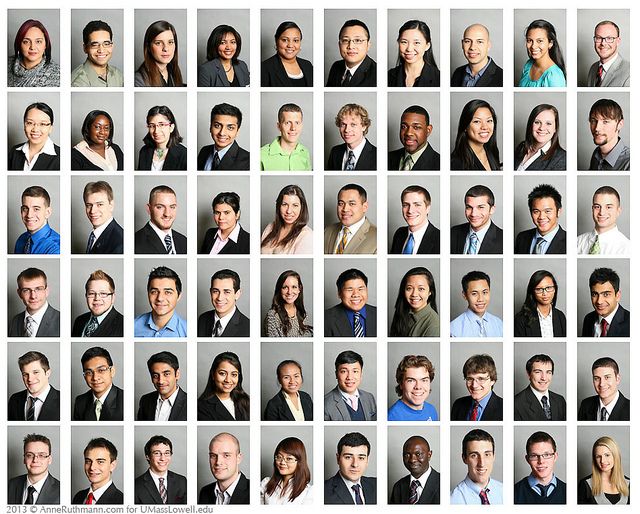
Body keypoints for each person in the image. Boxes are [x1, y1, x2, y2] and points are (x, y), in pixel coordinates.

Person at [451, 429, 503, 504]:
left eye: (487, 454)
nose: (481, 463)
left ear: (493, 457)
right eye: (474, 455)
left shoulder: (505, 492)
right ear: (464, 458)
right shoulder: (452, 500)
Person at [72, 346, 123, 421]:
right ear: (84, 376)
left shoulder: (125, 400)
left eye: (101, 370)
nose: (95, 378)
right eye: (89, 372)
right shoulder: (80, 401)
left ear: (112, 371)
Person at [325, 432, 377, 504]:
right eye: (348, 457)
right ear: (338, 459)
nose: (355, 464)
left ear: (367, 460)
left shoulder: (377, 485)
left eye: (361, 458)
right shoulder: (323, 491)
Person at [134, 266, 187, 337]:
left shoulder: (187, 331)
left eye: (168, 292)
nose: (160, 298)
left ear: (179, 296)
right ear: (148, 293)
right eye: (154, 292)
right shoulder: (132, 326)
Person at [8, 433, 60, 504]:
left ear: (49, 459)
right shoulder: (10, 485)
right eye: (29, 455)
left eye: (41, 455)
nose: (35, 460)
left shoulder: (62, 491)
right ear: (24, 459)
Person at [514, 432, 566, 504]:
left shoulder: (569, 492)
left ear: (555, 457)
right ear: (527, 459)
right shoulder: (514, 493)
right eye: (534, 456)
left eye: (547, 455)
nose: (541, 461)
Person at [324, 184, 377, 254]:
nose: (345, 209)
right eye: (341, 204)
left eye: (352, 204)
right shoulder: (327, 231)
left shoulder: (377, 237)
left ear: (365, 207)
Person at [324, 350, 376, 421]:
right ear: (336, 374)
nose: (350, 377)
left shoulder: (369, 398)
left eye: (355, 371)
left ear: (361, 374)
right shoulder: (325, 404)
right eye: (344, 371)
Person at [8, 351, 60, 421]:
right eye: (25, 374)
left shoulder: (63, 400)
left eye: (35, 372)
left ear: (47, 373)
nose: (30, 379)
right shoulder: (14, 400)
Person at [577, 186, 630, 255]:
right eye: (597, 207)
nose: (602, 212)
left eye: (608, 207)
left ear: (618, 211)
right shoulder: (578, 242)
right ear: (592, 209)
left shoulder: (627, 248)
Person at [198, 352, 250, 421]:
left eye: (234, 374)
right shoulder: (200, 407)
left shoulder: (246, 401)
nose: (228, 380)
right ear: (213, 375)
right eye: (222, 373)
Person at [199, 433, 249, 504]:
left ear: (238, 458)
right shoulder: (205, 492)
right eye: (213, 456)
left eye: (226, 455)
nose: (218, 462)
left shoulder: (254, 492)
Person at [261, 184, 313, 254]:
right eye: (284, 204)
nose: (289, 211)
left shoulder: (307, 236)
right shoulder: (270, 227)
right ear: (279, 206)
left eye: (295, 205)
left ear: (302, 208)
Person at [325, 268, 377, 337]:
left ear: (367, 290)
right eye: (350, 290)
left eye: (360, 289)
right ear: (339, 293)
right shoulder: (325, 318)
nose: (356, 294)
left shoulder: (379, 314)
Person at [515, 184, 566, 254]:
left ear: (558, 212)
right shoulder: (522, 238)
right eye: (536, 211)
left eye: (547, 211)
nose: (541, 217)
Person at [451, 185, 503, 254]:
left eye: (481, 207)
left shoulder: (504, 239)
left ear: (492, 209)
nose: (473, 214)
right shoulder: (453, 233)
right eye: (469, 207)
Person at [9, 267, 60, 337]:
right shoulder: (15, 320)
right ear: (19, 293)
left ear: (46, 291)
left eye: (38, 289)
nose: (33, 296)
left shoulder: (62, 320)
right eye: (26, 290)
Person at [135, 435, 187, 504]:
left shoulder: (182, 481)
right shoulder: (135, 486)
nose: (163, 458)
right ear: (148, 457)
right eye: (157, 453)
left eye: (167, 453)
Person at [135, 185, 187, 254]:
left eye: (172, 207)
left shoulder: (184, 241)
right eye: (160, 207)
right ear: (149, 209)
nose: (167, 214)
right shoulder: (135, 242)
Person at [451, 100, 501, 170]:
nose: (485, 127)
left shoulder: (492, 151)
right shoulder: (457, 163)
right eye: (477, 121)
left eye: (489, 121)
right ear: (465, 126)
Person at [198, 269, 250, 337]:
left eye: (227, 292)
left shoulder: (248, 328)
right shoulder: (202, 319)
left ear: (237, 294)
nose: (220, 298)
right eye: (215, 291)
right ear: (210, 292)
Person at [578, 436, 630, 504]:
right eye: (598, 456)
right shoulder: (585, 485)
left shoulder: (629, 484)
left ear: (615, 456)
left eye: (607, 455)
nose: (602, 461)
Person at [71, 20, 124, 87]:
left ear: (112, 46)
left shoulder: (118, 75)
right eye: (95, 45)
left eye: (106, 44)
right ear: (85, 48)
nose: (101, 50)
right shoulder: (77, 83)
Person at [197, 103, 250, 170]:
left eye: (230, 128)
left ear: (237, 131)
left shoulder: (249, 161)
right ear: (210, 127)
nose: (222, 133)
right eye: (217, 126)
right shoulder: (204, 151)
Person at [137, 351, 187, 421]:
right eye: (155, 376)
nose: (161, 381)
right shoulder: (145, 400)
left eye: (166, 374)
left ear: (177, 374)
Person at [8, 102, 60, 171]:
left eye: (42, 124)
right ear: (24, 125)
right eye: (30, 123)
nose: (35, 129)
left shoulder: (62, 157)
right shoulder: (14, 151)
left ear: (50, 128)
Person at [8, 19, 60, 87]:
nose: (32, 47)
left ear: (45, 45)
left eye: (38, 41)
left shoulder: (58, 75)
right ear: (19, 44)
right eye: (26, 42)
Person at [72, 270, 123, 337]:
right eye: (92, 293)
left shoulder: (123, 325)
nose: (97, 298)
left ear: (112, 297)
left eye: (103, 293)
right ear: (86, 296)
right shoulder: (79, 321)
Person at [390, 267, 439, 337]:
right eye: (409, 288)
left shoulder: (434, 325)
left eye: (421, 289)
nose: (414, 294)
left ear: (430, 292)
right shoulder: (401, 312)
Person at [514, 271, 566, 338]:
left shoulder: (560, 316)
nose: (545, 293)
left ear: (555, 289)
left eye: (549, 288)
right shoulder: (520, 319)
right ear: (532, 292)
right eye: (539, 289)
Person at [514, 354, 566, 421]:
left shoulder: (560, 400)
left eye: (548, 372)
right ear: (529, 374)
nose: (544, 378)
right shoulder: (516, 404)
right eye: (538, 372)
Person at [389, 436, 440, 504]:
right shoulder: (398, 487)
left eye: (418, 454)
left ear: (429, 455)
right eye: (407, 455)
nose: (412, 460)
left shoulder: (443, 483)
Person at [260, 437, 312, 504]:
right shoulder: (266, 484)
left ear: (300, 461)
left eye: (289, 458)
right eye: (279, 457)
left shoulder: (307, 492)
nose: (282, 462)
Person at [451, 354, 503, 421]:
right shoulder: (458, 405)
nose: (474, 385)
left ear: (492, 380)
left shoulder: (505, 408)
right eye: (470, 379)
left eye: (481, 379)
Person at [388, 20, 439, 87]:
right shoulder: (389, 76)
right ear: (398, 42)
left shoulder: (439, 78)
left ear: (427, 46)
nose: (409, 49)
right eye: (404, 42)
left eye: (416, 43)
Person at [390, 185, 440, 254]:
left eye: (417, 205)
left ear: (427, 208)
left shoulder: (440, 239)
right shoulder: (399, 233)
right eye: (406, 205)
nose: (410, 210)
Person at [260, 104, 311, 170]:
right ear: (279, 126)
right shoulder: (261, 155)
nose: (293, 128)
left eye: (297, 123)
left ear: (301, 125)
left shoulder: (305, 152)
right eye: (287, 123)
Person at [515, 104, 566, 170]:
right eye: (537, 122)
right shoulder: (521, 147)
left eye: (548, 123)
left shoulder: (562, 159)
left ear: (555, 128)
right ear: (531, 124)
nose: (542, 128)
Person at [581, 267, 630, 337]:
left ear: (617, 296)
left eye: (606, 294)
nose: (599, 301)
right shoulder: (588, 319)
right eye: (594, 294)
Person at [451, 272, 502, 338]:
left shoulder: (499, 324)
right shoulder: (453, 329)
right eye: (474, 293)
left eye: (484, 292)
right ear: (464, 295)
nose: (480, 299)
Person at [72, 438, 123, 504]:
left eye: (100, 462)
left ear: (112, 465)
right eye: (88, 461)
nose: (92, 467)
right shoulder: (79, 496)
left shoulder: (121, 501)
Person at [326, 19, 376, 87]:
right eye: (345, 40)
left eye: (358, 40)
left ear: (368, 45)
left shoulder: (377, 74)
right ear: (339, 44)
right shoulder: (336, 66)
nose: (351, 46)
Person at [262, 21, 313, 87]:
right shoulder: (264, 68)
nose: (290, 45)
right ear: (276, 40)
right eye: (285, 40)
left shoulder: (308, 65)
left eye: (295, 40)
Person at [388, 105, 440, 170]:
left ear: (428, 130)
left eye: (416, 127)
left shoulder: (440, 164)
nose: (408, 133)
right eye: (404, 127)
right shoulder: (387, 158)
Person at [327, 104, 377, 170]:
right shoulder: (335, 152)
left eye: (353, 125)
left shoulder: (378, 156)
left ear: (364, 126)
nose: (347, 130)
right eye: (343, 124)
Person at [578, 357, 629, 421]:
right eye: (597, 378)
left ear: (617, 379)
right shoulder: (585, 405)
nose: (601, 384)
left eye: (607, 377)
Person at [263, 270, 313, 337]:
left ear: (299, 289)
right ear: (280, 290)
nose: (289, 292)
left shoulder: (303, 314)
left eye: (294, 287)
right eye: (285, 287)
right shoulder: (272, 317)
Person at [388, 355, 438, 421]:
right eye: (411, 380)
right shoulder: (391, 417)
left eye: (424, 380)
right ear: (401, 384)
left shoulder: (432, 410)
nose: (418, 387)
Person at [135, 20, 184, 86]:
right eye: (158, 43)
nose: (165, 48)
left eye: (170, 42)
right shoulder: (139, 80)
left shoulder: (173, 71)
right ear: (148, 47)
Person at [518, 20, 566, 87]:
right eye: (529, 40)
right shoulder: (528, 65)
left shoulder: (555, 76)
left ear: (550, 43)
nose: (533, 46)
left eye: (540, 41)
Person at [137, 105, 187, 170]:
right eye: (152, 126)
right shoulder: (144, 151)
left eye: (161, 125)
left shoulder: (184, 154)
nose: (156, 131)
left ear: (171, 127)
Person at [14, 186, 60, 255]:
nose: (29, 215)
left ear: (47, 212)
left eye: (36, 209)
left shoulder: (55, 248)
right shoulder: (21, 240)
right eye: (25, 209)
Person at [82, 181, 124, 254]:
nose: (92, 211)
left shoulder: (120, 242)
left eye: (100, 204)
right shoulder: (96, 234)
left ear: (111, 205)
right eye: (89, 205)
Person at [588, 99, 629, 171]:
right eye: (593, 121)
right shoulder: (596, 153)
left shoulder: (629, 163)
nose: (597, 128)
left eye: (605, 122)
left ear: (620, 124)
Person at [586, 21, 629, 87]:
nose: (603, 43)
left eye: (609, 38)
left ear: (618, 41)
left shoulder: (630, 72)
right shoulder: (593, 68)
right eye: (599, 38)